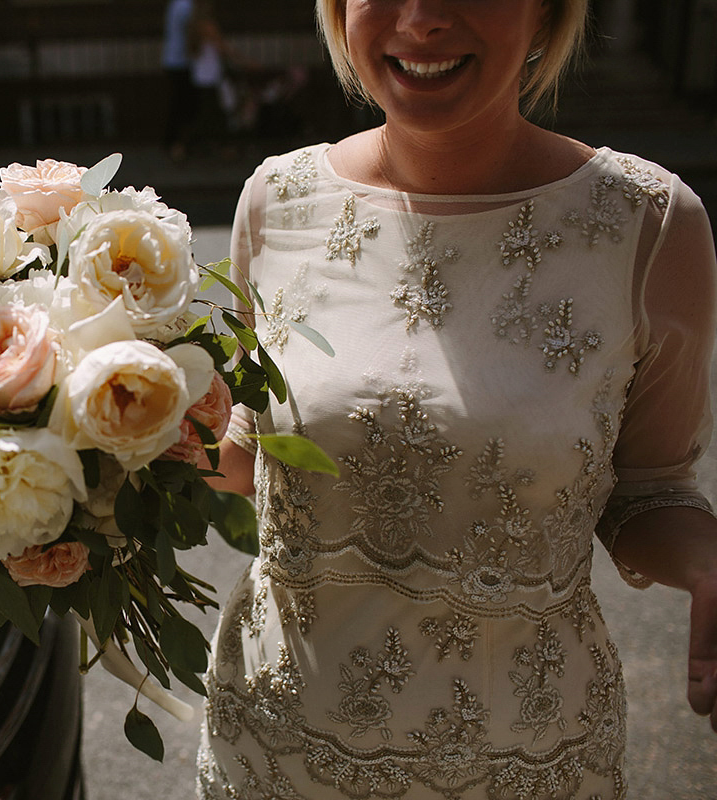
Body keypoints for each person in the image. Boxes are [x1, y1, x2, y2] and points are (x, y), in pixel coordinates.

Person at [197, 0, 717, 798]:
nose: (422, 19)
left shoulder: (647, 226)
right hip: (277, 752)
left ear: (545, 13)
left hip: (525, 760)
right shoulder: (276, 199)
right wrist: (68, 443)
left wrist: (711, 569)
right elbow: (244, 453)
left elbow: (650, 493)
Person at [162, 0, 197, 161]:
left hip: (172, 59)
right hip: (181, 61)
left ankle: (174, 143)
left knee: (178, 103)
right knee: (183, 105)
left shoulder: (176, 4)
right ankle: (176, 144)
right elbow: (191, 32)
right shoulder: (186, 6)